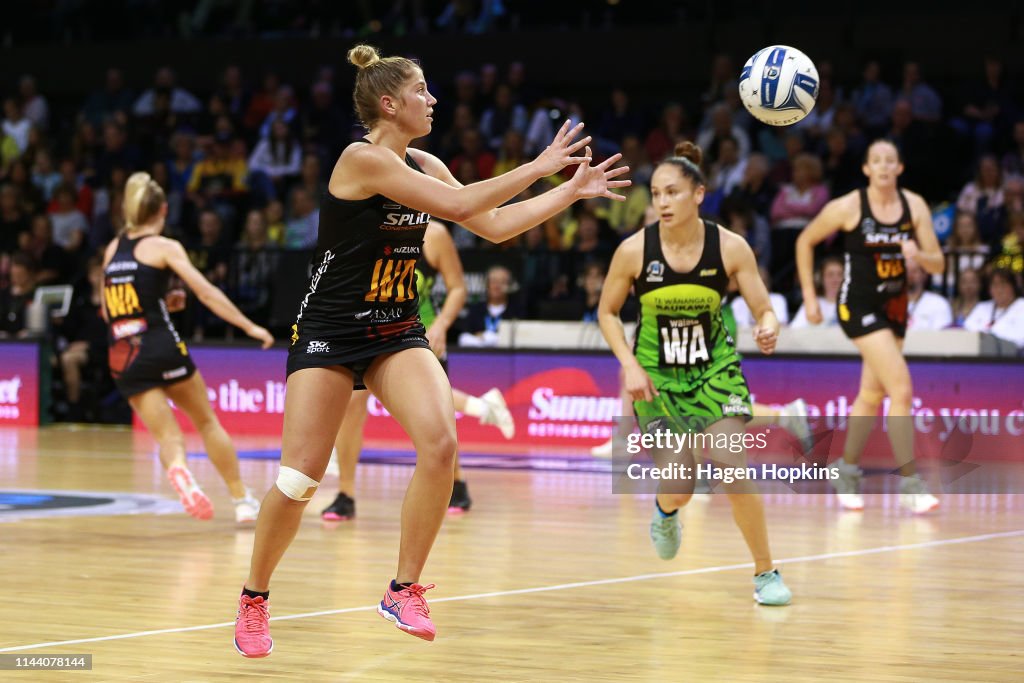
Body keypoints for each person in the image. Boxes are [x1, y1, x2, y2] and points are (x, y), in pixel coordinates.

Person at [233, 44, 629, 658]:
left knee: (442, 444)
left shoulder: (425, 160)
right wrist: (542, 163)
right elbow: (458, 205)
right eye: (422, 90)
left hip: (395, 328)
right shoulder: (361, 159)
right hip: (331, 329)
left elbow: (491, 224)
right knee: (299, 479)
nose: (433, 98)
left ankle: (403, 587)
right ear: (389, 103)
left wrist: (569, 193)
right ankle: (254, 598)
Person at [597, 141, 792, 606]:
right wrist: (629, 365)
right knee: (681, 485)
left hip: (714, 374)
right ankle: (666, 511)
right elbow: (606, 312)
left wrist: (767, 328)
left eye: (672, 193)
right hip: (658, 382)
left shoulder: (730, 247)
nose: (662, 202)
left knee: (730, 468)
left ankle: (766, 573)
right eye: (656, 193)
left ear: (699, 194)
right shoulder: (633, 252)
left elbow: (764, 309)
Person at [102, 172, 273, 523]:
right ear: (163, 210)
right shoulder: (165, 247)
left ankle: (180, 470)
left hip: (123, 354)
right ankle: (242, 500)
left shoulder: (112, 249)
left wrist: (160, 300)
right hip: (161, 346)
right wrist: (249, 326)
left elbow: (109, 310)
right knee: (207, 423)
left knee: (168, 437)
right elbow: (207, 292)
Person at [321, 219, 515, 521]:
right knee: (352, 407)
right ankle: (345, 493)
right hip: (369, 331)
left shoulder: (434, 234)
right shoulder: (370, 228)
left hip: (420, 332)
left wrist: (442, 325)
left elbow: (458, 289)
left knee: (435, 415)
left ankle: (457, 480)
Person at [795, 139, 944, 513]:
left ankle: (846, 469)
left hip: (894, 306)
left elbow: (938, 264)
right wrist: (811, 299)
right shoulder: (848, 206)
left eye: (889, 160)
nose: (882, 166)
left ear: (899, 168)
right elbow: (804, 240)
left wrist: (919, 255)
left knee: (871, 394)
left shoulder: (915, 206)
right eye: (875, 160)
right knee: (901, 388)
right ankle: (910, 482)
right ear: (866, 169)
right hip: (858, 306)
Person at [963, 268, 1024, 348]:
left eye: (1003, 284)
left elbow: (1019, 339)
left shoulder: (1021, 306)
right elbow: (966, 331)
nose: (999, 289)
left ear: (1013, 287)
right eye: (994, 285)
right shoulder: (981, 307)